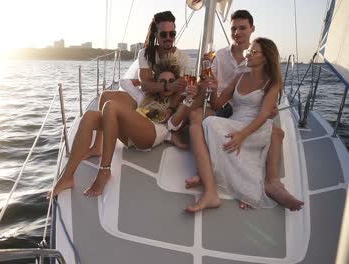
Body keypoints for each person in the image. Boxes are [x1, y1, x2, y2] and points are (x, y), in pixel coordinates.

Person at [186, 10, 303, 211]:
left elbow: (265, 114)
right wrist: (213, 89)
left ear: (265, 57)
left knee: (267, 131)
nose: (248, 53)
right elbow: (217, 104)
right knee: (205, 123)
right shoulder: (237, 72)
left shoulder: (271, 81)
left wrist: (242, 135)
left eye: (252, 52)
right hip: (233, 118)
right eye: (234, 28)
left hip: (254, 126)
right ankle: (212, 178)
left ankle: (267, 184)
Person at [49, 58, 197, 198]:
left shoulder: (176, 101)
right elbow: (126, 83)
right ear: (157, 83)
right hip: (133, 130)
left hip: (152, 133)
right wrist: (146, 83)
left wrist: (188, 99)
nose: (167, 84)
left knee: (111, 106)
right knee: (89, 117)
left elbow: (174, 124)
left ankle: (104, 171)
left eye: (171, 81)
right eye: (162, 81)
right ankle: (67, 176)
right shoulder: (146, 96)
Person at [84, 10, 194, 159]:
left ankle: (171, 133)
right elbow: (145, 85)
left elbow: (180, 91)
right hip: (146, 97)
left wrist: (171, 107)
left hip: (168, 104)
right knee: (106, 95)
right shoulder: (146, 53)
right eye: (163, 34)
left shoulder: (184, 59)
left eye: (172, 34)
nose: (169, 38)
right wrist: (169, 86)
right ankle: (98, 146)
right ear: (156, 34)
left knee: (113, 106)